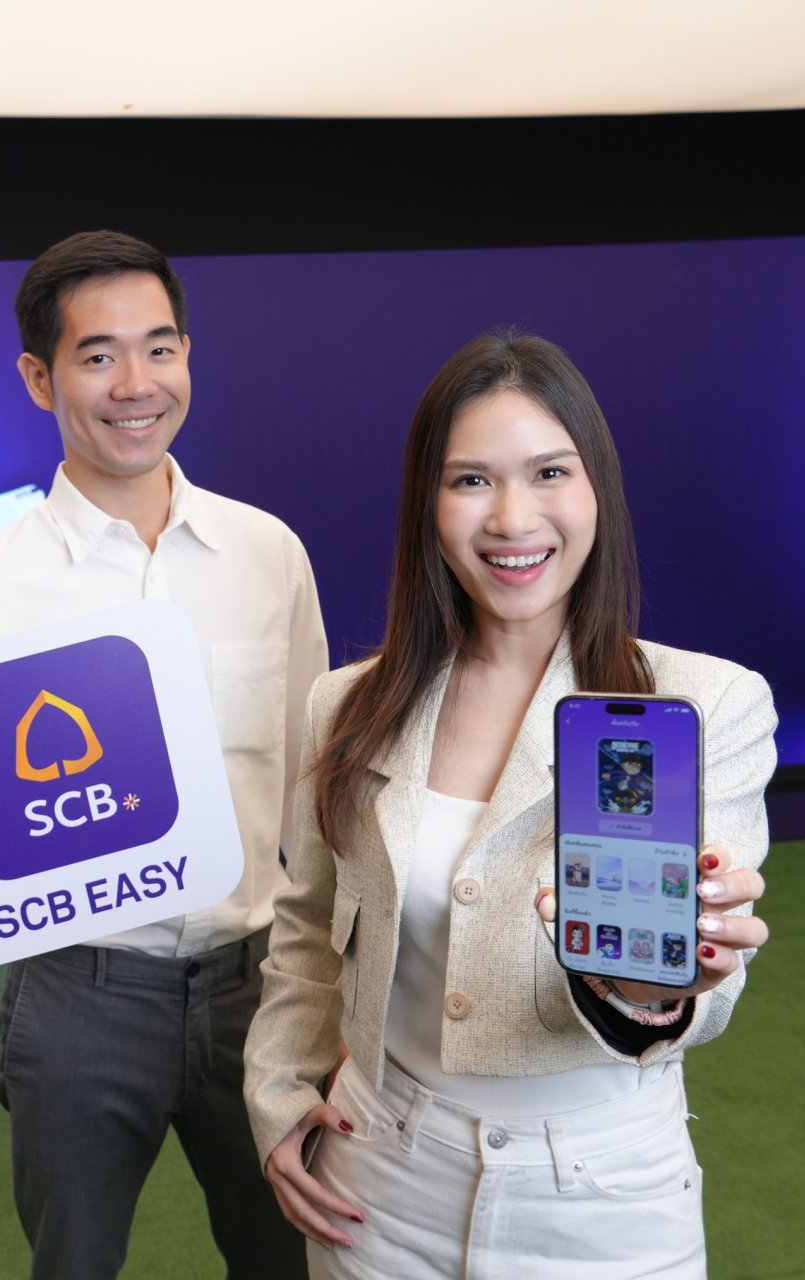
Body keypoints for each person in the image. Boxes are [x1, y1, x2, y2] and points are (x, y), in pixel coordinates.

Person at [243, 333, 777, 1277]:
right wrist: (280, 1097)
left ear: (597, 489)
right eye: (471, 481)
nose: (513, 518)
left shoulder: (707, 705)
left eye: (549, 472)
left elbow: (698, 991)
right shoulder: (348, 705)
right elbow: (306, 929)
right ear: (428, 504)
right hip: (377, 1187)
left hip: (602, 1196)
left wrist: (658, 986)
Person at [0, 230, 328, 1279]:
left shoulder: (269, 555)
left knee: (291, 1261)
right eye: (98, 356)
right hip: (80, 996)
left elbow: (313, 786)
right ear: (39, 377)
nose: (136, 384)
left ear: (188, 354)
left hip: (259, 985)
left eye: (160, 348)